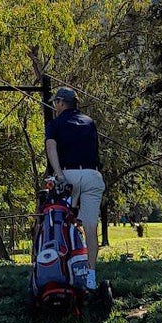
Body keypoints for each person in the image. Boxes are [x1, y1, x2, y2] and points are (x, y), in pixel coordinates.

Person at [45, 87, 106, 292]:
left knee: (60, 222)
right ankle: (90, 276)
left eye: (56, 103)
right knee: (90, 227)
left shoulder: (54, 124)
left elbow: (51, 148)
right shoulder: (90, 122)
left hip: (68, 175)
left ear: (62, 103)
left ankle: (63, 270)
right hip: (92, 175)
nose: (54, 106)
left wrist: (59, 174)